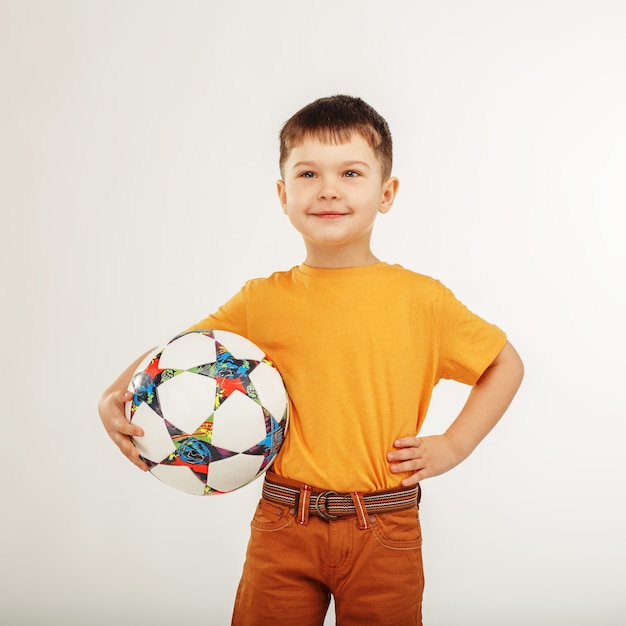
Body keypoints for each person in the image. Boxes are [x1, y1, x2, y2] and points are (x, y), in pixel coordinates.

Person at [99, 95, 524, 625]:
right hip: (283, 521)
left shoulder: (423, 300)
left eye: (350, 172)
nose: (328, 189)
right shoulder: (262, 300)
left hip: (384, 525)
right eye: (307, 173)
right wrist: (112, 397)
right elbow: (177, 356)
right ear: (283, 194)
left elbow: (505, 365)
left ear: (386, 192)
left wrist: (454, 445)